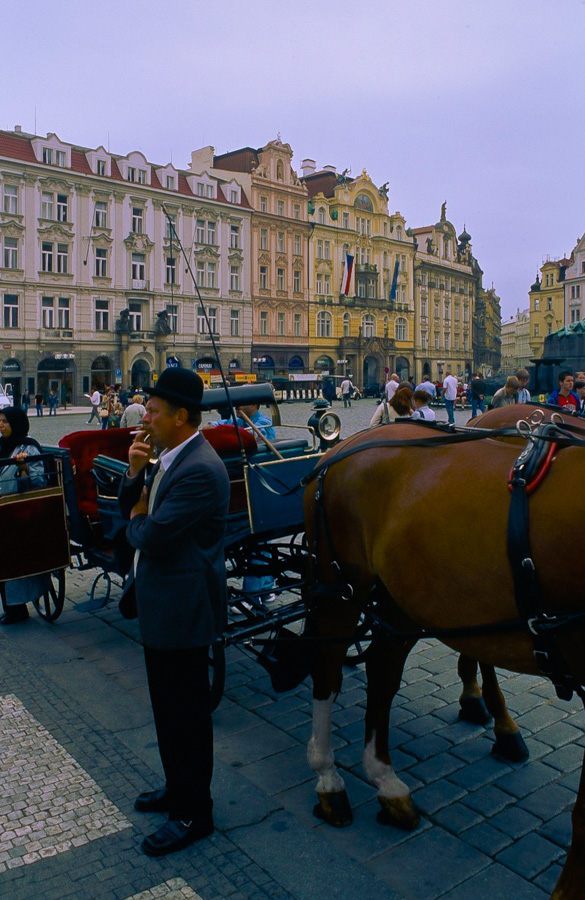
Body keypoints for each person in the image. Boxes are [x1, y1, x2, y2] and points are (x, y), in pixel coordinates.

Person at [118, 367, 230, 857]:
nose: (147, 418)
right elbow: (135, 507)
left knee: (186, 715)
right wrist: (135, 473)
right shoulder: (168, 455)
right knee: (167, 709)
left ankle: (194, 811)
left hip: (186, 609)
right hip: (163, 604)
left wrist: (138, 516)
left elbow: (152, 536)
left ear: (181, 416)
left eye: (156, 412)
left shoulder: (200, 468)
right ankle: (176, 787)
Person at [0, 408, 49, 625]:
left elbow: (39, 483)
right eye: (0, 421)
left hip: (17, 513)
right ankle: (12, 608)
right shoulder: (2, 446)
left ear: (16, 423)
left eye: (5, 422)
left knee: (9, 562)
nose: (1, 425)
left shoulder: (28, 448)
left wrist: (23, 469)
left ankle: (16, 609)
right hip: (4, 511)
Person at [206, 403, 275, 441]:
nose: (236, 407)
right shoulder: (239, 421)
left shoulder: (265, 422)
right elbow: (208, 427)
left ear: (253, 405)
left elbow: (249, 436)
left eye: (241, 403)